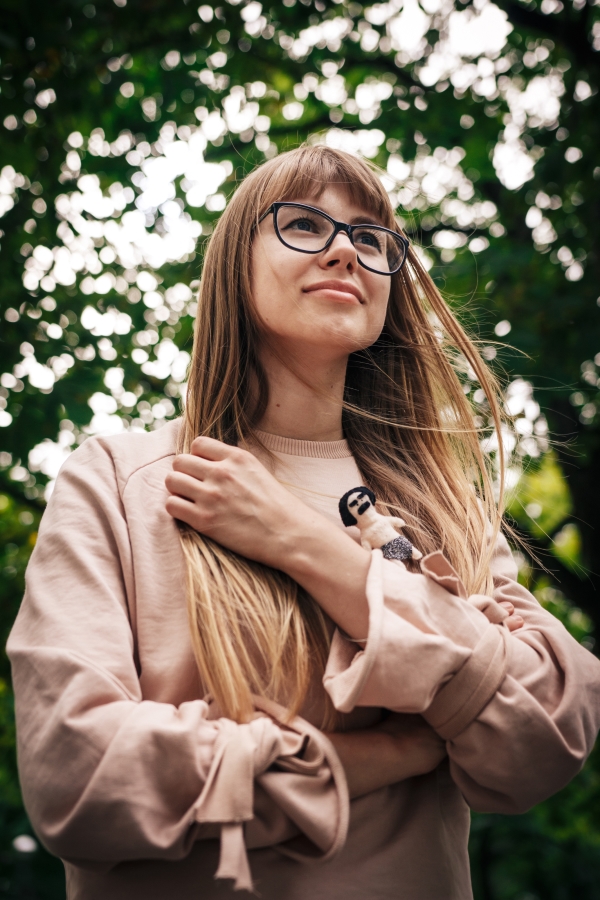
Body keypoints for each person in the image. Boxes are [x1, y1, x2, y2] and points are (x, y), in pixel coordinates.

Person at [7, 145, 600, 900]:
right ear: (235, 265)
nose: (347, 248)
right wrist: (388, 754)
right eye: (304, 224)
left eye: (371, 236)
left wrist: (304, 543)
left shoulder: (446, 509)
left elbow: (545, 737)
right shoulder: (121, 483)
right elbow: (81, 781)